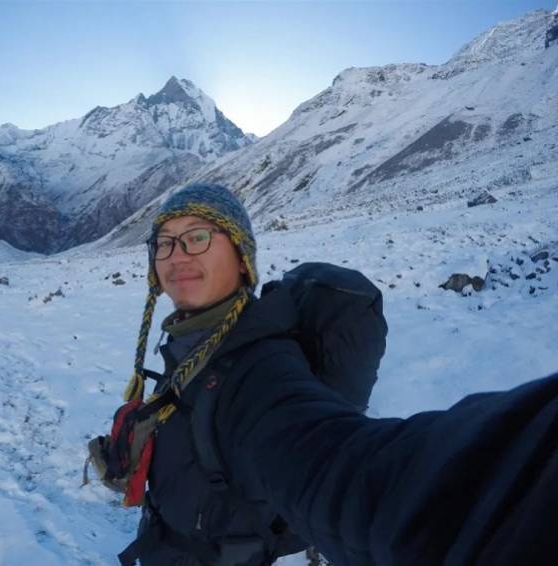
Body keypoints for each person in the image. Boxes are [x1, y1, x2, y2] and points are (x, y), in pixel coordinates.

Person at [106, 183, 558, 566]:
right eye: (164, 242)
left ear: (242, 258)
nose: (176, 255)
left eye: (198, 236)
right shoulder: (197, 341)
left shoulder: (257, 371)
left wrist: (514, 494)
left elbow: (347, 472)